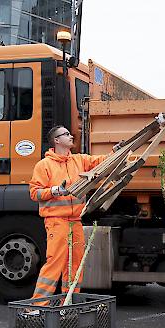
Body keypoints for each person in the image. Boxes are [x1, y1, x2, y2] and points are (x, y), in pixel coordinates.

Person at [28, 126, 106, 302]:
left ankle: (68, 304)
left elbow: (100, 161)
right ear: (56, 140)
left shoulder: (78, 160)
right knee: (55, 263)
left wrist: (116, 152)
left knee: (75, 265)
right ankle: (37, 306)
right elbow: (35, 193)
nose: (71, 136)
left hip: (75, 221)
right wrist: (56, 190)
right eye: (66, 134)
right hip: (57, 221)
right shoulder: (44, 165)